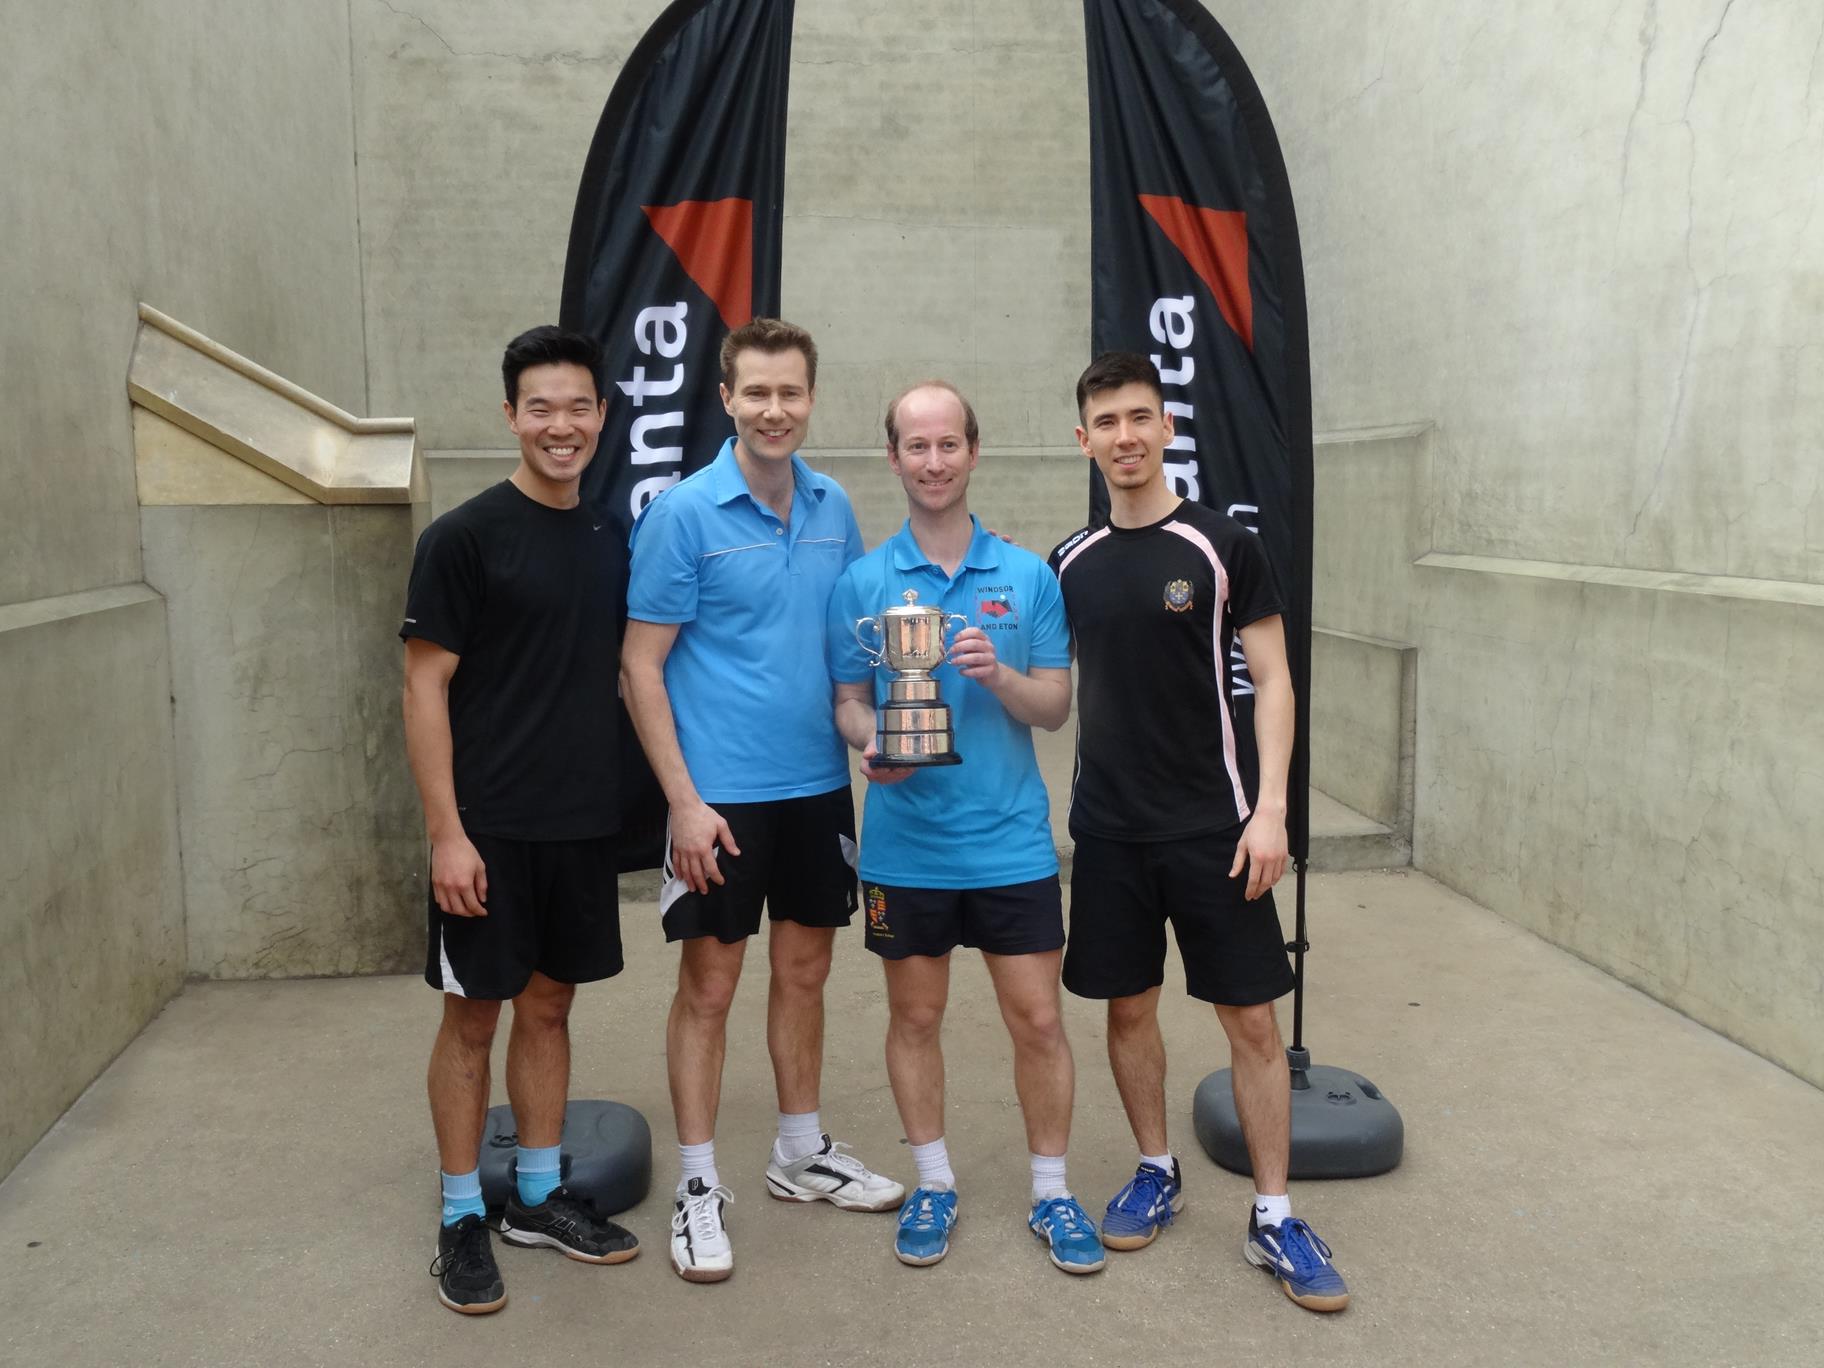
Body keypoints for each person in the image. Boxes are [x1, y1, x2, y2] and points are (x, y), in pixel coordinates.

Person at [1047, 352, 1349, 1313]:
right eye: (1107, 420)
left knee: (1251, 1025)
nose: (1125, 436)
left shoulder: (1223, 547)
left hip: (1216, 831)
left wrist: (1271, 811)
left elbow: (1274, 680)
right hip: (1109, 834)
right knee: (1127, 1010)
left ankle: (1272, 1217)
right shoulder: (1068, 562)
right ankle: (1155, 1168)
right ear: (1083, 438)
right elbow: (1047, 690)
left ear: (1166, 426)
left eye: (1141, 416)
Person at [621, 317, 904, 1285]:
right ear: (726, 399)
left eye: (791, 392)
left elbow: (845, 658)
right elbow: (640, 667)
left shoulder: (834, 506)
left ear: (810, 399)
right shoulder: (684, 513)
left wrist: (877, 735)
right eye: (757, 393)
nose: (775, 410)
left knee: (806, 973)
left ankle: (798, 1152)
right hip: (721, 802)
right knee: (709, 985)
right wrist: (685, 805)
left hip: (819, 789)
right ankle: (698, 1185)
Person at [826, 381, 1103, 1275]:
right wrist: (876, 749)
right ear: (894, 458)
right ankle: (935, 1184)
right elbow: (848, 704)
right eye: (917, 446)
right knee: (915, 1019)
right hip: (907, 850)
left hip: (1009, 843)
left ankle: (1053, 1194)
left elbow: (1055, 706)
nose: (934, 462)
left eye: (949, 445)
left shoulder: (1028, 578)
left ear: (974, 452)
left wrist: (998, 677)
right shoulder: (863, 583)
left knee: (1038, 1023)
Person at [402, 326, 639, 1316]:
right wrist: (446, 834)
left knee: (550, 1007)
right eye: (540, 406)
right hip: (487, 833)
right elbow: (423, 692)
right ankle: (464, 1214)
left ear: (600, 416)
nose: (561, 424)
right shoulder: (461, 538)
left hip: (578, 828)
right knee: (473, 1018)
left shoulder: (610, 536)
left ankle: (537, 1196)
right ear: (511, 416)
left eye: (578, 406)